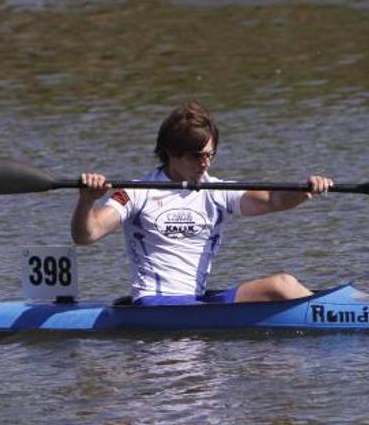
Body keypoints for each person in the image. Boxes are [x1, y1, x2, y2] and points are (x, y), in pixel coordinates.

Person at [71, 101, 333, 306]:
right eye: (198, 156)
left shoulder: (215, 190)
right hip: (155, 303)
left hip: (194, 301)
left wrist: (304, 191)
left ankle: (341, 310)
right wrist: (86, 201)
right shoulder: (137, 192)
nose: (205, 163)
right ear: (173, 153)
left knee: (283, 285)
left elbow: (273, 200)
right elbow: (87, 234)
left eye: (210, 155)